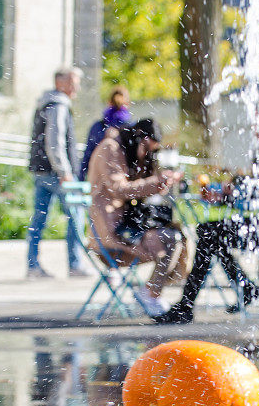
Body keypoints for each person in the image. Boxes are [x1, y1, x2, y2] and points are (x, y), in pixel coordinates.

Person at [154, 100, 259, 324]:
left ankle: (190, 305)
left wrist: (234, 188)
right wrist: (224, 194)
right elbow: (251, 193)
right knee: (209, 232)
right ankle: (244, 288)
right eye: (257, 124)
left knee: (211, 234)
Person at [87, 118, 186, 316]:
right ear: (139, 137)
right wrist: (155, 182)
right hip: (110, 234)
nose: (149, 154)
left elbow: (136, 189)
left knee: (179, 235)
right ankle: (151, 292)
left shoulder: (127, 152)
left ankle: (151, 291)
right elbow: (119, 189)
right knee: (169, 238)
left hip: (126, 227)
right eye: (148, 149)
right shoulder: (110, 149)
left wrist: (162, 181)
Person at [26, 67, 92, 279]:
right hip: (56, 172)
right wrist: (64, 171)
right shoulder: (59, 106)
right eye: (73, 82)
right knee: (76, 212)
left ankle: (32, 265)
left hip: (41, 170)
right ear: (60, 83)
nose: (77, 87)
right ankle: (75, 264)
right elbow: (55, 142)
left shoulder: (44, 103)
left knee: (38, 219)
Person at [79, 86, 133, 180]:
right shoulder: (131, 128)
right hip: (122, 178)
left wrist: (81, 178)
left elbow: (88, 155)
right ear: (127, 103)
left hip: (100, 177)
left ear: (109, 102)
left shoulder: (97, 127)